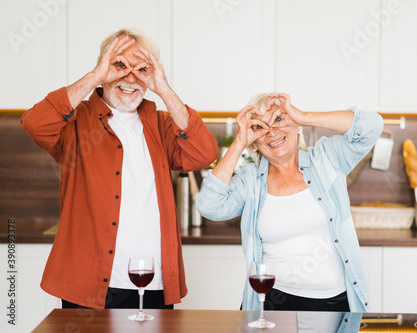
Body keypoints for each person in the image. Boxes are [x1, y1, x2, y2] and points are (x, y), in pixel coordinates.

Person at [21, 28, 219, 309]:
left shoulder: (160, 125)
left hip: (154, 282)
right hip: (90, 284)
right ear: (103, 67)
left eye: (141, 69)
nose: (130, 77)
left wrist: (163, 89)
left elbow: (204, 153)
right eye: (119, 65)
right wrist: (95, 77)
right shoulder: (75, 122)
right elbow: (34, 124)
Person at [196, 93, 383, 312]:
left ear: (296, 127)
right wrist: (239, 142)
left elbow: (372, 126)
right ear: (254, 143)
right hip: (273, 303)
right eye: (259, 128)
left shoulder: (326, 160)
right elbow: (209, 205)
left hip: (336, 304)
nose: (272, 132)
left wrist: (302, 116)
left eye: (278, 120)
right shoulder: (250, 182)